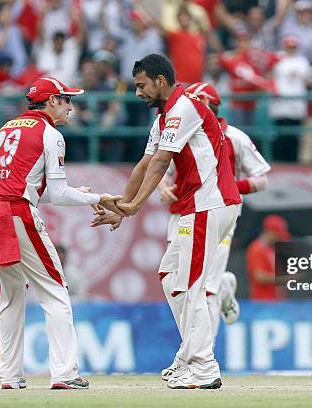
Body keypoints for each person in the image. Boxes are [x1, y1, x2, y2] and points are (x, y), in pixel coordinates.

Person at [91, 54, 241, 389]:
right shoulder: (163, 119)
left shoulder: (183, 108)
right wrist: (122, 206)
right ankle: (191, 358)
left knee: (189, 287)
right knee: (170, 277)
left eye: (141, 85)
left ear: (161, 81)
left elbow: (160, 164)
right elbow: (144, 166)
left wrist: (133, 208)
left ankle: (201, 366)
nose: (137, 93)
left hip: (207, 204)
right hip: (199, 206)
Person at [0, 76, 121, 390]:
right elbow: (58, 193)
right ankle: (64, 373)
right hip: (14, 213)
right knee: (55, 290)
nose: (70, 107)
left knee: (11, 293)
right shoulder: (50, 134)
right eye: (67, 100)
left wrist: (78, 193)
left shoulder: (6, 127)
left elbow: (40, 189)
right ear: (52, 101)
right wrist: (97, 197)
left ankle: (10, 376)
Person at [157, 81, 271, 351]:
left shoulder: (234, 137)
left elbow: (261, 180)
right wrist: (162, 188)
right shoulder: (176, 129)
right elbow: (159, 167)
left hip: (218, 211)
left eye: (195, 100)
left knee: (204, 286)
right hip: (182, 213)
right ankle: (222, 289)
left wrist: (228, 185)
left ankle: (203, 355)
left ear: (208, 105)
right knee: (175, 278)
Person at [246, 214, 290, 300]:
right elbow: (259, 276)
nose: (280, 238)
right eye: (278, 234)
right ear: (270, 232)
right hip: (262, 302)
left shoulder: (271, 249)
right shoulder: (256, 249)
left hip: (276, 301)